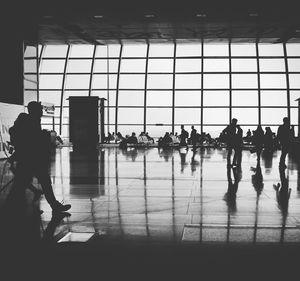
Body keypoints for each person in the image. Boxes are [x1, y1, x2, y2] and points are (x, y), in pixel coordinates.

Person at [9, 101, 71, 213]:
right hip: (31, 159)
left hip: (29, 159)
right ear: (35, 110)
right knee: (39, 183)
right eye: (40, 109)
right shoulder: (30, 121)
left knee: (22, 184)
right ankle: (13, 210)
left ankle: (13, 209)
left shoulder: (30, 120)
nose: (42, 111)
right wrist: (43, 136)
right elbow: (31, 141)